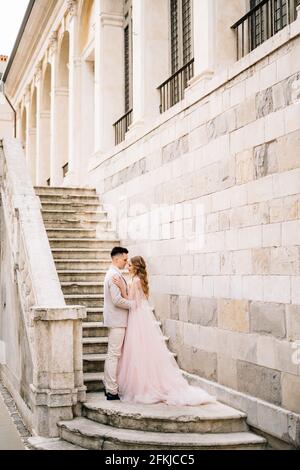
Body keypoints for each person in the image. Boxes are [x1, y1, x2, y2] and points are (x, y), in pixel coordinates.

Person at [112, 256, 216, 406]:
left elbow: (130, 300)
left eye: (130, 265)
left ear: (135, 266)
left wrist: (121, 287)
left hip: (136, 315)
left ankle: (144, 385)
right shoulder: (138, 279)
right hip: (141, 314)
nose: (127, 267)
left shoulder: (135, 281)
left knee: (137, 348)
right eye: (127, 264)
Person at [103, 246, 133, 400]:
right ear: (117, 258)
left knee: (112, 354)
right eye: (125, 259)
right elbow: (117, 300)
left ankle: (108, 385)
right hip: (117, 320)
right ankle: (111, 390)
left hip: (116, 320)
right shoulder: (113, 275)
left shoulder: (115, 274)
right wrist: (134, 305)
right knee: (114, 355)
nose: (126, 262)